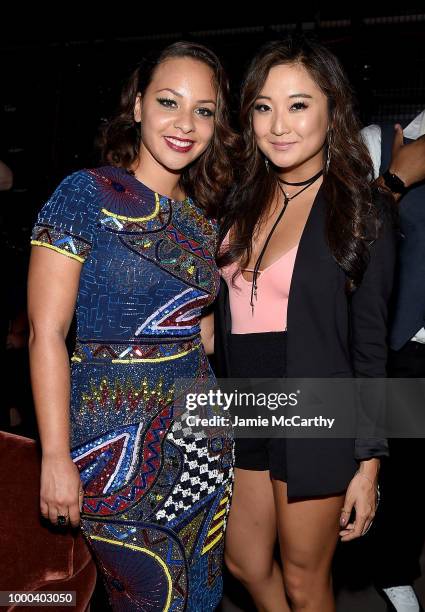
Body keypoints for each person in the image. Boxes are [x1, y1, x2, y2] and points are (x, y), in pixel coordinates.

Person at [27, 41, 236, 611]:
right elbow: (46, 333)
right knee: (148, 595)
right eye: (169, 101)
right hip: (109, 453)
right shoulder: (84, 195)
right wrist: (54, 457)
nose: (185, 124)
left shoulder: (203, 220)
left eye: (204, 110)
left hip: (202, 444)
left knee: (199, 595)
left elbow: (203, 335)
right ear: (138, 105)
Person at [214, 36, 396, 611]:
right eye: (264, 106)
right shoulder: (236, 201)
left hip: (316, 403)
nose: (278, 125)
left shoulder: (360, 208)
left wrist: (368, 463)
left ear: (331, 110)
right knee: (242, 560)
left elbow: (370, 347)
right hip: (239, 402)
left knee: (302, 577)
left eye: (298, 105)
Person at [362, 115, 425, 612]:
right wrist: (395, 182)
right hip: (405, 345)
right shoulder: (379, 143)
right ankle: (394, 573)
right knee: (404, 473)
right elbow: (344, 240)